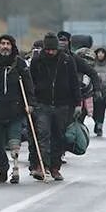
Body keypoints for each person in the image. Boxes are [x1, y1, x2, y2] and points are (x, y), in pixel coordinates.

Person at [0, 35, 35, 184]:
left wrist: (29, 103)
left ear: (12, 46)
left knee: (14, 143)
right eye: (2, 44)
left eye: (8, 44)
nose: (5, 46)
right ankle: (3, 166)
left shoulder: (20, 64)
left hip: (15, 110)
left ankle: (15, 170)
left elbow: (28, 85)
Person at [30, 33, 80, 181]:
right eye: (48, 49)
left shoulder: (67, 61)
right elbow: (31, 82)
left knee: (58, 137)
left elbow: (74, 83)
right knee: (43, 134)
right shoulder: (37, 61)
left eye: (53, 49)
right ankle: (42, 165)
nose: (50, 52)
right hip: (42, 103)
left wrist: (78, 103)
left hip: (62, 105)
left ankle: (55, 167)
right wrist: (32, 101)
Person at [91, 47, 106, 136]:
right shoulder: (92, 64)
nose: (100, 54)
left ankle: (100, 126)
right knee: (93, 109)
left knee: (101, 109)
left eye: (102, 53)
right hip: (93, 90)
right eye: (99, 53)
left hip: (105, 90)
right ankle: (97, 122)